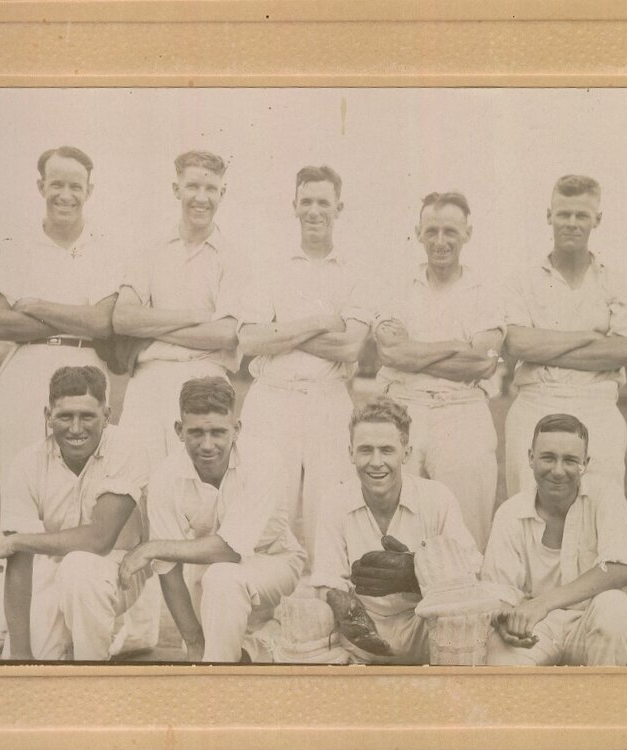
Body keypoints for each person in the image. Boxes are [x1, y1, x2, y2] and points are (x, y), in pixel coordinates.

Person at [0, 146, 121, 658]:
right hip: (27, 370)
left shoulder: (105, 248)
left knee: (81, 492)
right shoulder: (14, 242)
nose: (65, 194)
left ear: (89, 191)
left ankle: (71, 613)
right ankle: (9, 624)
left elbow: (102, 323)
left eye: (75, 185)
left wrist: (38, 307)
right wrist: (68, 317)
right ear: (40, 187)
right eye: (56, 184)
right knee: (24, 490)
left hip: (84, 373)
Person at [117, 378, 304, 663]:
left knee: (222, 578)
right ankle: (230, 662)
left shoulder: (264, 460)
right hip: (207, 574)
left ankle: (217, 684)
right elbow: (168, 569)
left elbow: (229, 549)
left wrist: (151, 547)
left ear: (236, 429)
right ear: (179, 430)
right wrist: (193, 640)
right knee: (215, 639)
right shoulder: (166, 476)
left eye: (218, 432)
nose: (207, 445)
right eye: (196, 433)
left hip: (275, 563)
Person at [236, 165, 373, 554]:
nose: (315, 211)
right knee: (266, 512)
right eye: (307, 201)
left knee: (328, 513)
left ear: (339, 208)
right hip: (272, 399)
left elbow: (350, 348)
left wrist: (281, 330)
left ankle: (323, 605)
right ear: (294, 206)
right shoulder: (269, 266)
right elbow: (248, 339)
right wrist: (316, 322)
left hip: (329, 400)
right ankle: (265, 607)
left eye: (324, 202)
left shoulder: (355, 271)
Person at [0, 367, 149, 661]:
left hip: (121, 569)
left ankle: (92, 677)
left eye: (87, 416)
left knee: (79, 571)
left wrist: (19, 541)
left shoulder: (127, 448)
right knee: (32, 657)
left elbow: (99, 539)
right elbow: (19, 561)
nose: (75, 428)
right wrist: (21, 655)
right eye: (64, 416)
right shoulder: (26, 463)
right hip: (52, 564)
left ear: (107, 416)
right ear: (48, 415)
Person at [374, 192, 503, 550]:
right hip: (402, 408)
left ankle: (465, 604)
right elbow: (389, 352)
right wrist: (456, 346)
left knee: (465, 529)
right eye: (431, 231)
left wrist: (413, 352)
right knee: (395, 527)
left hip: (463, 411)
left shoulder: (486, 293)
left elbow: (484, 361)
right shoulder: (397, 287)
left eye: (450, 231)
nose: (441, 241)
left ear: (468, 233)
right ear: (418, 232)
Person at [309, 398, 481, 664]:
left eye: (387, 450)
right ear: (350, 453)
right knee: (308, 615)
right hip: (361, 629)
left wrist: (417, 571)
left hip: (424, 624)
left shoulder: (436, 498)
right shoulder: (335, 501)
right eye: (365, 450)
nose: (376, 462)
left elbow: (470, 571)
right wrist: (344, 605)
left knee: (464, 618)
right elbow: (327, 579)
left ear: (406, 453)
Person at [503, 175, 627, 500]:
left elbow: (626, 349)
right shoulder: (522, 280)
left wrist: (545, 347)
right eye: (563, 214)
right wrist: (589, 337)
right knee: (528, 503)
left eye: (582, 215)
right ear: (548, 215)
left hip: (598, 404)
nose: (572, 223)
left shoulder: (616, 280)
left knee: (601, 504)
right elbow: (518, 344)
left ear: (597, 219)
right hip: (536, 399)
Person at [112, 150, 244, 466]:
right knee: (137, 484)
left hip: (207, 381)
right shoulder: (150, 250)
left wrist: (153, 326)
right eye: (192, 187)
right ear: (176, 190)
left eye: (211, 189)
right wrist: (192, 317)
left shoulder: (234, 257)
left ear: (222, 193)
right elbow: (123, 318)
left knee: (198, 492)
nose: (201, 197)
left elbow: (226, 334)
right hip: (149, 383)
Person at [482, 414, 627, 666]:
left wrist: (543, 603)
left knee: (615, 608)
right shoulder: (510, 512)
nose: (557, 471)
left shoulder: (605, 495)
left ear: (585, 463)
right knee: (499, 661)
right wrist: (504, 622)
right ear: (531, 458)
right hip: (536, 629)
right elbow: (500, 592)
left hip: (589, 623)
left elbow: (622, 569)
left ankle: (606, 703)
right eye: (548, 458)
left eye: (570, 460)